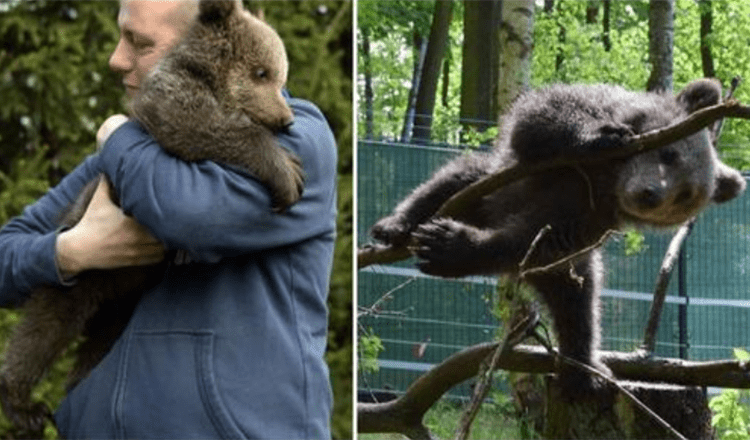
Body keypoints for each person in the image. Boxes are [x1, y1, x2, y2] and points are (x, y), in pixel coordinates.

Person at [0, 0, 337, 438]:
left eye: (140, 44)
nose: (116, 60)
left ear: (209, 44)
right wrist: (69, 252)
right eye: (121, 36)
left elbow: (185, 214)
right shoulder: (129, 149)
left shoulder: (300, 143)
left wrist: (114, 135)